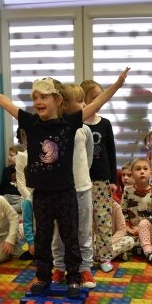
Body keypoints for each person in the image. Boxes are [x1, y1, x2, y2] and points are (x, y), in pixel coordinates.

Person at [0, 68, 129, 298]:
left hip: (65, 192)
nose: (37, 101)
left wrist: (117, 85)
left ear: (58, 99)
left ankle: (74, 278)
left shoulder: (70, 123)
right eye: (34, 97)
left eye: (43, 97)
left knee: (70, 237)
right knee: (43, 239)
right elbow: (5, 103)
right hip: (41, 193)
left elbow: (97, 104)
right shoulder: (31, 123)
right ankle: (43, 277)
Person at [50, 83, 96, 289]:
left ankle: (84, 268)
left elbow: (87, 157)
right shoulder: (54, 129)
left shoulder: (85, 131)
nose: (85, 104)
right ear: (65, 105)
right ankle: (59, 266)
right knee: (59, 232)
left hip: (83, 189)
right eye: (80, 101)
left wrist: (82, 179)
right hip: (60, 190)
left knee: (84, 231)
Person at [83, 79, 119, 274]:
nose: (99, 100)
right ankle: (85, 258)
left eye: (100, 96)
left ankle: (104, 256)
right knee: (84, 222)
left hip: (102, 179)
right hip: (81, 181)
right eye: (94, 97)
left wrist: (113, 179)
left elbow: (111, 153)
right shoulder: (77, 123)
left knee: (103, 219)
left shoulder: (105, 124)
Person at [121, 157, 152, 253]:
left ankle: (137, 250)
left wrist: (141, 229)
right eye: (138, 169)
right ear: (132, 174)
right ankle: (137, 249)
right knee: (120, 238)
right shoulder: (127, 191)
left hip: (149, 230)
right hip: (131, 230)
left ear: (151, 172)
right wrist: (127, 227)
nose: (142, 172)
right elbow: (123, 212)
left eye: (145, 169)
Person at [0, 145, 24, 213]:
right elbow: (1, 186)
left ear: (19, 157)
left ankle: (6, 209)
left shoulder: (24, 170)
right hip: (7, 196)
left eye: (11, 155)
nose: (8, 157)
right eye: (9, 155)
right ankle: (7, 209)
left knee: (23, 206)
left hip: (19, 198)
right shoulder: (6, 170)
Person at [110, 197, 137, 262]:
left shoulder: (115, 206)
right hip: (97, 243)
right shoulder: (92, 206)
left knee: (130, 240)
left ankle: (102, 256)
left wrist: (109, 242)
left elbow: (121, 229)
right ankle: (113, 254)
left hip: (113, 240)